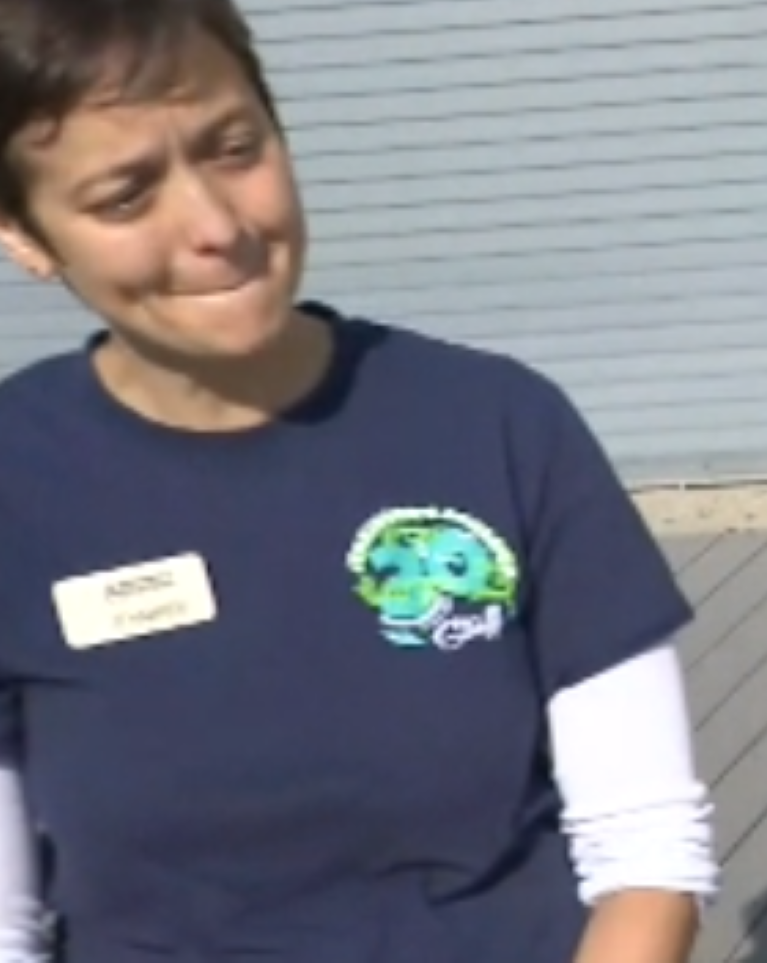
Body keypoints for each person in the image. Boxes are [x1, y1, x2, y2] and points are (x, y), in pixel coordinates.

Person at [0, 0, 720, 960]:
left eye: (234, 149)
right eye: (126, 197)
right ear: (24, 234)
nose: (216, 224)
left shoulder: (496, 425)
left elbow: (647, 852)